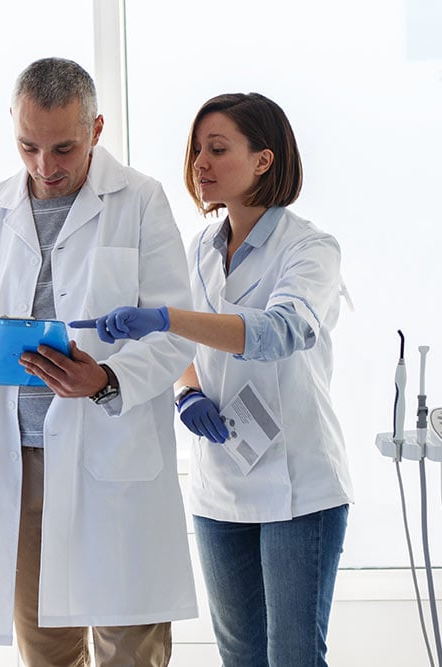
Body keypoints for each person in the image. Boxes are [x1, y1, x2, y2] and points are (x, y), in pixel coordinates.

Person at [75, 92, 353, 666]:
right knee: (239, 656)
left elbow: (280, 331)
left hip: (298, 485)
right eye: (197, 149)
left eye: (218, 149)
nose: (200, 162)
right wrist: (188, 388)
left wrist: (168, 317)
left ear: (264, 161)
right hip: (220, 485)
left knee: (294, 657)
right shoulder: (201, 247)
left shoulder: (309, 247)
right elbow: (180, 346)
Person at [0, 57, 198, 666]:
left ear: (97, 129)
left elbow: (176, 332)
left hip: (111, 462)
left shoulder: (140, 200)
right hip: (22, 464)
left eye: (63, 148)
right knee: (46, 653)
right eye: (28, 146)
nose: (45, 167)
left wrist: (106, 378)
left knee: (130, 652)